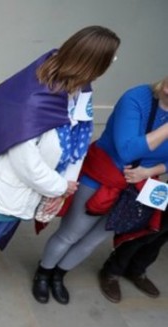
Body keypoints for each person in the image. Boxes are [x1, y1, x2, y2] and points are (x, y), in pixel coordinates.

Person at [0, 26, 120, 308]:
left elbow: (80, 136)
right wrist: (60, 187)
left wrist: (62, 187)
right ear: (93, 62)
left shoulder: (80, 90)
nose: (112, 65)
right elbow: (23, 159)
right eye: (111, 59)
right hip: (11, 187)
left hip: (33, 189)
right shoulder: (37, 98)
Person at [34, 76, 168, 304]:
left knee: (93, 240)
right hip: (102, 177)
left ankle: (60, 274)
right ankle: (44, 273)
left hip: (138, 187)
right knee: (71, 234)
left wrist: (150, 171)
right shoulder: (138, 97)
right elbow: (127, 150)